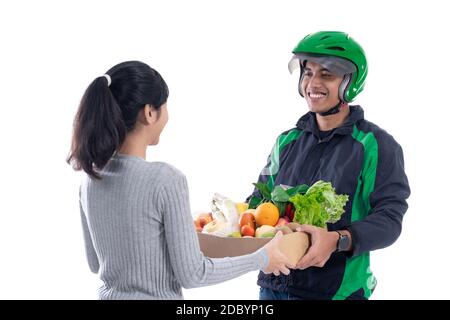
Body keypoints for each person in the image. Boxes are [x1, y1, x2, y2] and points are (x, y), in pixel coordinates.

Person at [67, 60, 293, 300]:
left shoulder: (89, 181)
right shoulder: (165, 179)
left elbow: (96, 263)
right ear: (149, 112)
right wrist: (262, 258)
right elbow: (193, 274)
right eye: (164, 106)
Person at [249, 31, 411, 300]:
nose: (313, 83)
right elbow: (259, 201)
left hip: (335, 291)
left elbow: (389, 220)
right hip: (273, 286)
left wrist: (338, 240)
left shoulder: (375, 145)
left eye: (326, 75)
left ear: (350, 83)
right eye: (308, 72)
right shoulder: (287, 141)